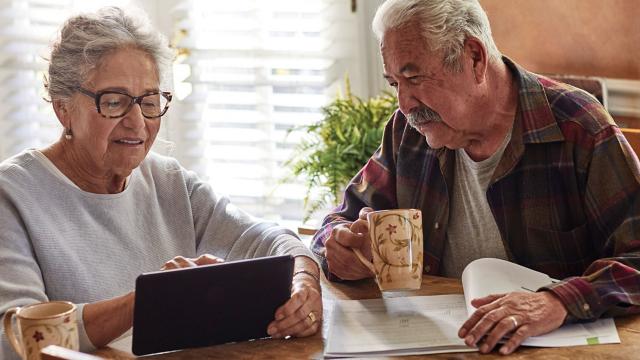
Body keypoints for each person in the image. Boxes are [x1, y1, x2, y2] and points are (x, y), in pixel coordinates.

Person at [311, 0, 640, 355]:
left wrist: (557, 302)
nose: (404, 103)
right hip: (438, 346)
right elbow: (339, 221)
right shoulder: (407, 133)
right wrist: (339, 248)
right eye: (394, 83)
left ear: (474, 58)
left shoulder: (580, 127)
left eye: (414, 77)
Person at [0, 7, 321, 359]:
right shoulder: (12, 195)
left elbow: (272, 240)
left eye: (149, 101)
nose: (137, 123)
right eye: (114, 102)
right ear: (63, 108)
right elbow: (13, 338)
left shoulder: (169, 182)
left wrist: (304, 281)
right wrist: (148, 301)